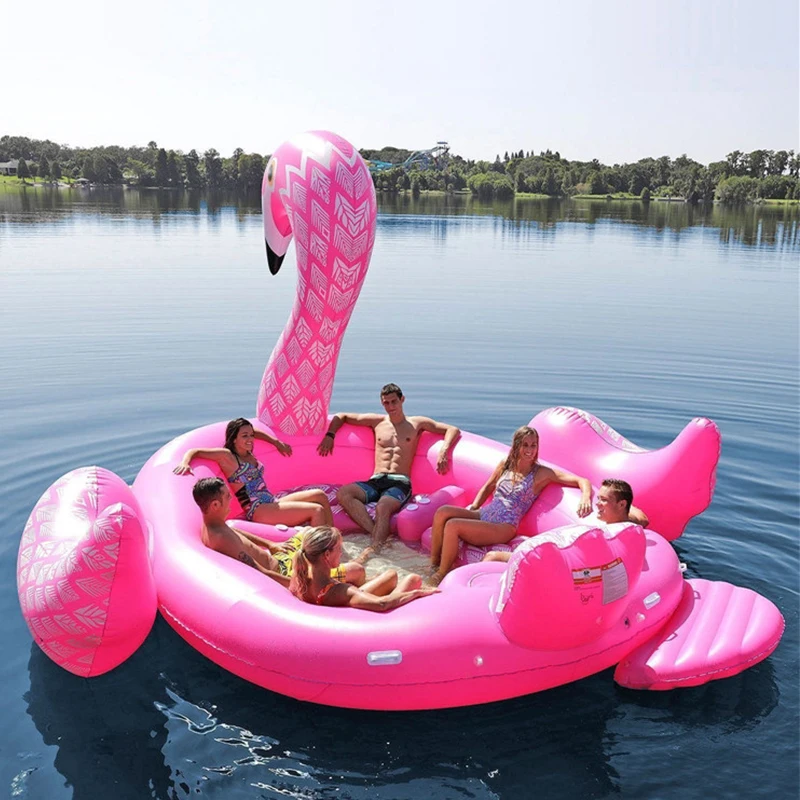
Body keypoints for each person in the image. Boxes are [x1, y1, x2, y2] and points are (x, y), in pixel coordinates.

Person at [427, 425, 593, 584]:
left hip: (504, 525)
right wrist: (475, 506)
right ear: (517, 445)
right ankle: (433, 563)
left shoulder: (541, 473)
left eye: (533, 445)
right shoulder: (506, 464)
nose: (530, 450)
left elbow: (581, 480)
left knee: (453, 525)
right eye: (525, 445)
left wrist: (585, 497)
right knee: (443, 511)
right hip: (485, 514)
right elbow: (488, 486)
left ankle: (442, 573)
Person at [317, 383, 460, 562]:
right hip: (376, 480)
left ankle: (372, 549)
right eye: (386, 403)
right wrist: (330, 435)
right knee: (344, 493)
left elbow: (452, 429)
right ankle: (376, 534)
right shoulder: (377, 422)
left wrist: (444, 451)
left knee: (383, 507)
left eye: (394, 401)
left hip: (400, 482)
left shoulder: (417, 423)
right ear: (382, 403)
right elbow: (342, 416)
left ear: (402, 400)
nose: (391, 406)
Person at [191, 477, 365, 586]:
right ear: (215, 505)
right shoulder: (221, 538)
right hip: (284, 573)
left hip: (280, 558)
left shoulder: (212, 525)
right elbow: (261, 573)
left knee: (309, 533)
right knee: (357, 570)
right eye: (227, 496)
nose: (231, 499)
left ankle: (332, 560)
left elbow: (234, 530)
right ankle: (350, 587)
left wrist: (270, 544)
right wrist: (299, 583)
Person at [174, 417, 333, 527]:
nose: (250, 439)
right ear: (234, 439)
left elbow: (254, 432)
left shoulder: (248, 452)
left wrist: (276, 442)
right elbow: (195, 451)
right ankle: (319, 554)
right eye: (245, 436)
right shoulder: (229, 457)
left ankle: (334, 540)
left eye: (251, 435)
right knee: (316, 510)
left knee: (320, 495)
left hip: (271, 501)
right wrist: (185, 462)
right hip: (258, 510)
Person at [483, 477, 649, 563]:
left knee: (493, 556)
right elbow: (643, 519)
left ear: (622, 504)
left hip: (556, 561)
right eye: (598, 498)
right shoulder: (629, 523)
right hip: (557, 553)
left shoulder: (613, 534)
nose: (597, 503)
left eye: (604, 500)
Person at [289, 525, 439, 611]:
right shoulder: (340, 591)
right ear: (327, 555)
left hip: (334, 603)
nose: (341, 553)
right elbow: (382, 604)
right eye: (339, 548)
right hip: (365, 615)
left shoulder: (300, 577)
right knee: (414, 579)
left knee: (391, 575)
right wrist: (416, 593)